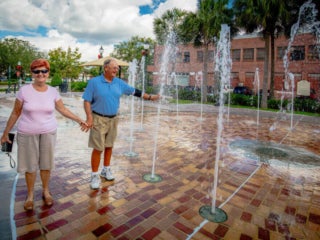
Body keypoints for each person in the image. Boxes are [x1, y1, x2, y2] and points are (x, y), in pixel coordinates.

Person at [0, 58, 88, 211]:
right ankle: (30, 195)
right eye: (36, 71)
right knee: (30, 166)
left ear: (48, 73)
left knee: (46, 164)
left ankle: (46, 191)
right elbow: (15, 112)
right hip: (27, 134)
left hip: (48, 132)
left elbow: (63, 110)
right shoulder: (24, 91)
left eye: (44, 71)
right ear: (32, 73)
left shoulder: (53, 91)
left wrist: (79, 119)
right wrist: (5, 133)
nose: (40, 74)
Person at [82, 58, 159, 189]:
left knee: (109, 146)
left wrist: (151, 97)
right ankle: (94, 175)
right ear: (105, 68)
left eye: (117, 68)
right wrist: (89, 117)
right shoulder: (94, 82)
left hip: (113, 119)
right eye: (114, 67)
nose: (116, 70)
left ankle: (106, 169)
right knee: (98, 148)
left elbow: (135, 92)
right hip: (98, 119)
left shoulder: (119, 83)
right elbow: (87, 101)